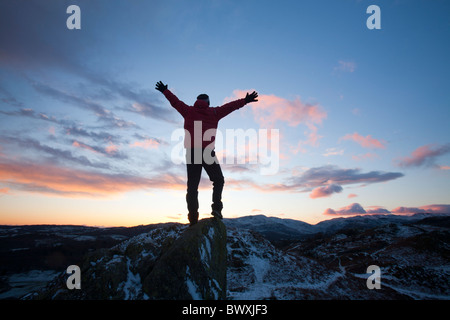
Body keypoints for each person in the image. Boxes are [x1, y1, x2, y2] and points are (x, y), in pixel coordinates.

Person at [155, 81, 258, 226]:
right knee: (218, 180)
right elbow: (230, 107)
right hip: (207, 152)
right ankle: (216, 209)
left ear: (196, 102)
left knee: (192, 187)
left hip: (192, 153)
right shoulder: (214, 112)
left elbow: (175, 102)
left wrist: (165, 91)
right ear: (208, 103)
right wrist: (245, 100)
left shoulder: (188, 111)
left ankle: (193, 218)